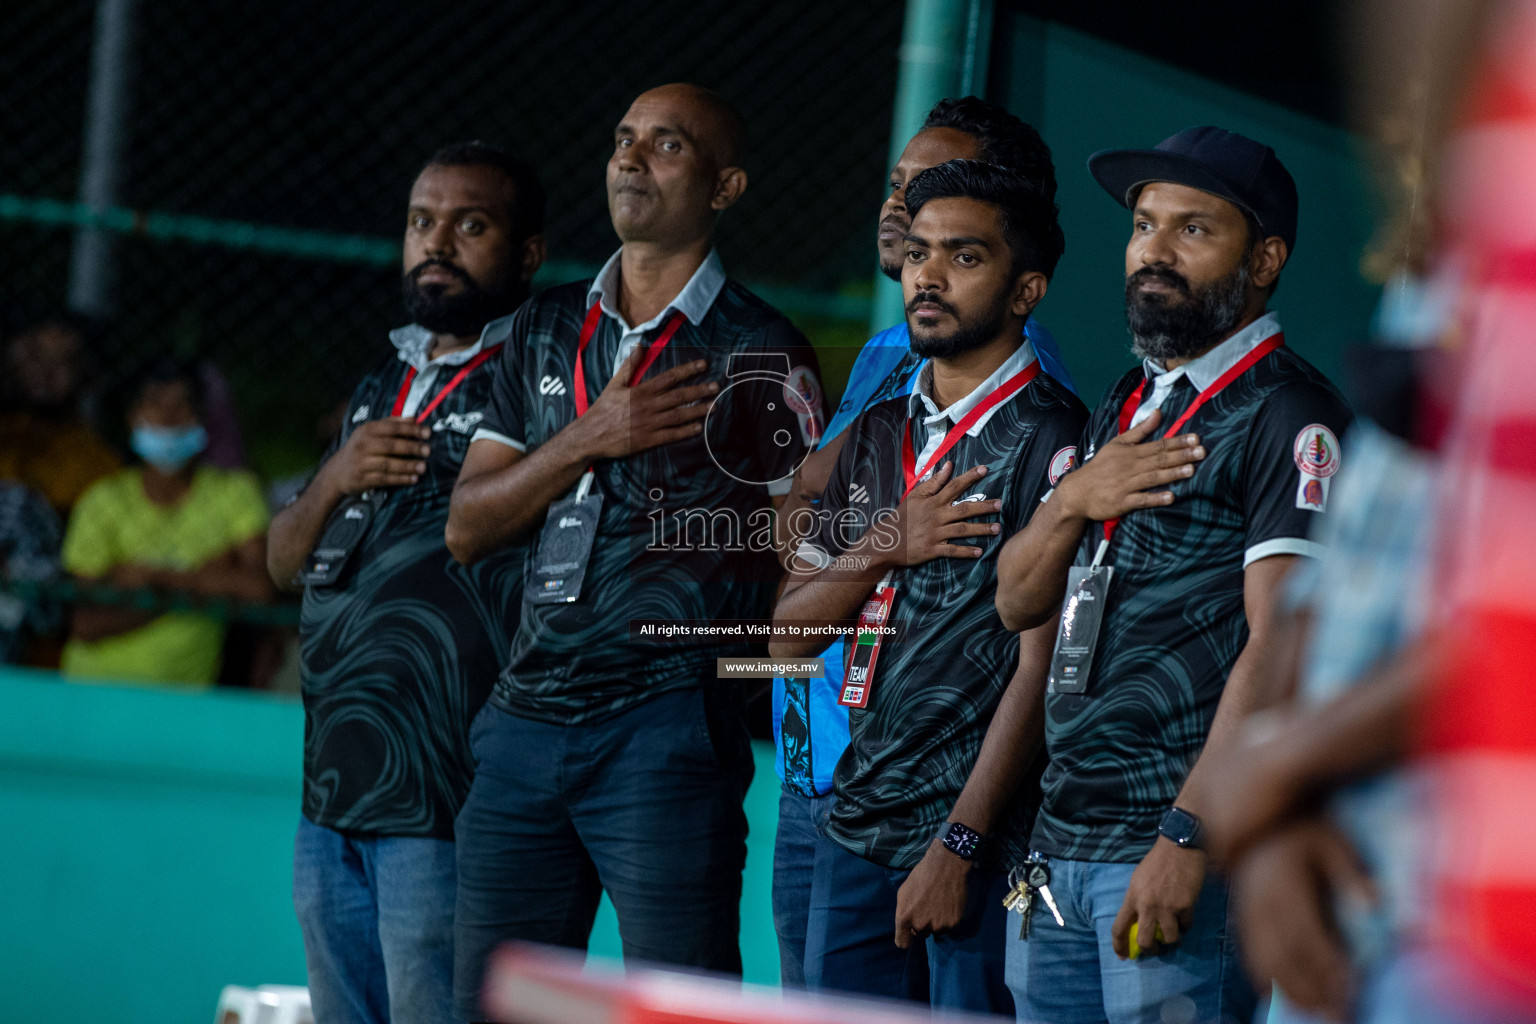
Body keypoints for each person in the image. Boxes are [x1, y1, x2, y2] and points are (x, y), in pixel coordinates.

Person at [445, 84, 824, 1021]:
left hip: (664, 734)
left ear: (725, 185)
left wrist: (719, 684)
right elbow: (467, 525)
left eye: (666, 145)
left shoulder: (762, 349)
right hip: (522, 727)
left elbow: (803, 568)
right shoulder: (542, 326)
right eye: (622, 140)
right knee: (491, 1007)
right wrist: (589, 434)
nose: (630, 159)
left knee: (677, 1009)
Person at [991, 126, 1352, 1024]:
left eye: (1193, 230)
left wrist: (1190, 833)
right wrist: (1073, 498)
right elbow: (1017, 600)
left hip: (1170, 847)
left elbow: (1283, 644)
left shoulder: (1290, 412)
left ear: (1264, 258)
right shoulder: (1129, 398)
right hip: (1058, 844)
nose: (1154, 250)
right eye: (1145, 224)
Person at [769, 95, 1076, 990]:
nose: (926, 272)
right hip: (850, 810)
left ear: (1024, 285)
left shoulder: (1055, 436)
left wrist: (962, 839)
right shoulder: (881, 422)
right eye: (918, 251)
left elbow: (1038, 668)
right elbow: (787, 637)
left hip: (972, 839)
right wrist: (884, 545)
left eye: (963, 254)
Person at [264, 141, 546, 1024]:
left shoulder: (543, 374)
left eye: (471, 224)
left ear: (527, 251)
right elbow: (281, 562)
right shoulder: (382, 381)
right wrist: (339, 472)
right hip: (333, 787)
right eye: (423, 222)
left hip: (445, 790)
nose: (438, 243)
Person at [60, 359, 274, 687]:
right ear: (132, 417)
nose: (169, 419)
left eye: (183, 405)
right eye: (155, 404)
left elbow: (259, 589)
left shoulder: (235, 493)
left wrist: (155, 578)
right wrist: (203, 581)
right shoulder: (102, 500)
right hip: (92, 690)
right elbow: (86, 625)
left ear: (204, 419)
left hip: (186, 698)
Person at [0, 313, 120, 516]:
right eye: (36, 356)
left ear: (88, 374)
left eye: (63, 361)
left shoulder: (98, 462)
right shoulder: (8, 434)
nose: (45, 372)